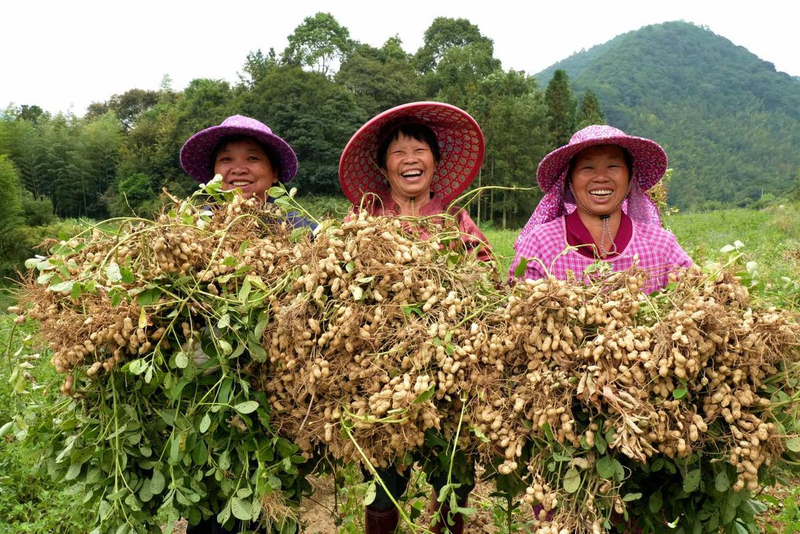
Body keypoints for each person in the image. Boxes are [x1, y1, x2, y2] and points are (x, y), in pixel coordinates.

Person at [339, 101, 491, 533]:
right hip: (381, 372)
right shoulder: (362, 220)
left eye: (420, 149)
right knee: (384, 480)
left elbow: (487, 281)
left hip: (451, 373)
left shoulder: (455, 220)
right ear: (384, 168)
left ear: (435, 162)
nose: (410, 159)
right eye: (398, 152)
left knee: (454, 479)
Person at [180, 115, 302, 533]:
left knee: (270, 484)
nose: (238, 168)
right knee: (210, 482)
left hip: (278, 382)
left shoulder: (300, 227)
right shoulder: (188, 228)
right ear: (213, 173)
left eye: (253, 158)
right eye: (226, 159)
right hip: (205, 381)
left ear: (272, 173)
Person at [509, 125, 692, 292]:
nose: (601, 177)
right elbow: (520, 310)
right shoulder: (541, 245)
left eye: (613, 166)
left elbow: (693, 293)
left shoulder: (660, 245)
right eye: (587, 167)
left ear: (630, 178)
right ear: (569, 180)